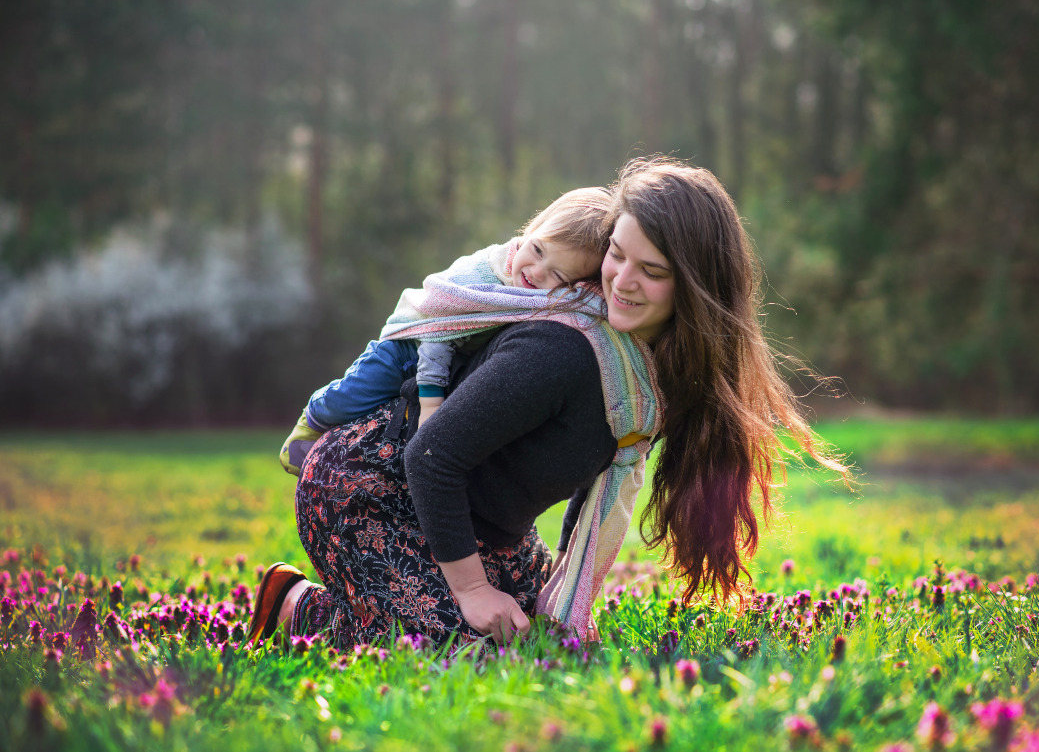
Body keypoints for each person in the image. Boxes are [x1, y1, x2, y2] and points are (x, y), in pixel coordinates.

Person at [250, 157, 845, 650]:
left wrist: (559, 585)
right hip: (372, 487)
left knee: (542, 641)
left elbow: (598, 480)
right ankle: (295, 607)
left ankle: (368, 609)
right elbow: (431, 455)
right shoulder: (566, 347)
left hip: (485, 525)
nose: (621, 280)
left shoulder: (651, 373)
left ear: (697, 286)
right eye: (616, 254)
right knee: (468, 652)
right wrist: (473, 592)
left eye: (652, 271)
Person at [277, 187, 613, 476]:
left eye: (557, 274)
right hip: (408, 347)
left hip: (455, 359)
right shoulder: (483, 276)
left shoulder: (540, 297)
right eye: (537, 250)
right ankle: (311, 423)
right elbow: (436, 341)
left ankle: (335, 447)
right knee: (353, 397)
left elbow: (584, 304)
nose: (537, 271)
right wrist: (431, 407)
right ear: (530, 231)